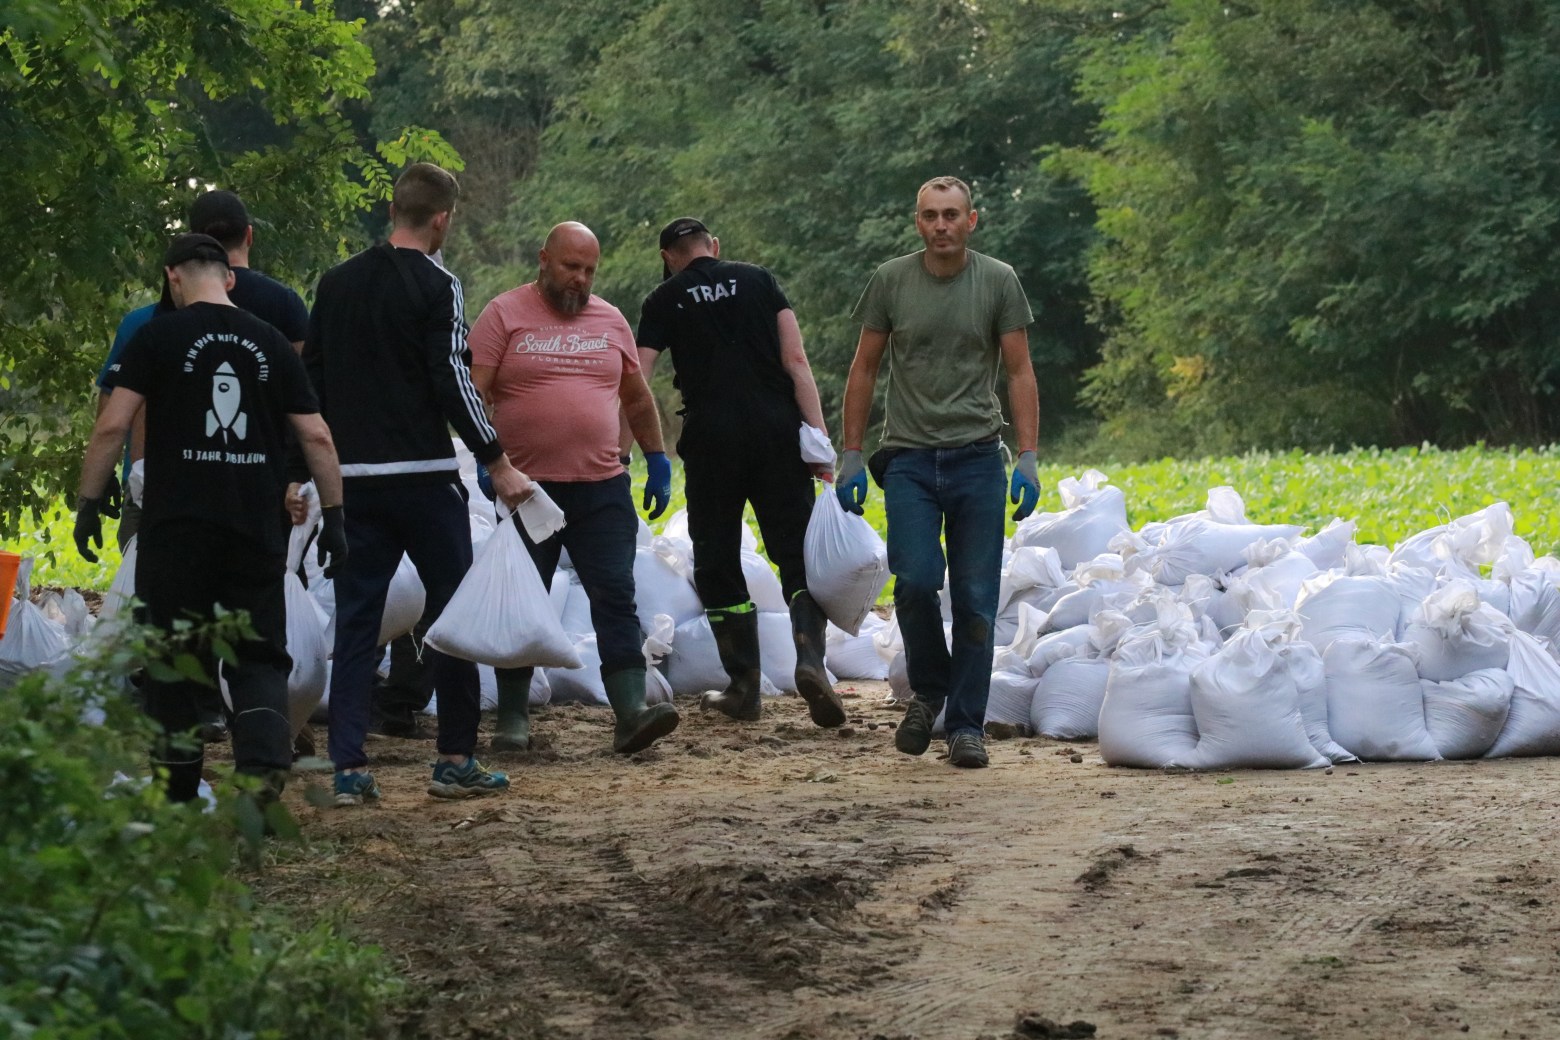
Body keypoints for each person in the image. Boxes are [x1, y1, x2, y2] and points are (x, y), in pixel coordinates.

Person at [73, 233, 348, 805]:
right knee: (258, 655)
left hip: (176, 531)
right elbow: (317, 435)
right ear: (228, 278)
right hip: (254, 527)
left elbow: (111, 426)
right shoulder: (271, 342)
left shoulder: (157, 335)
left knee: (173, 653)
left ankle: (177, 791)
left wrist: (90, 504)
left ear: (173, 277)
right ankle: (265, 768)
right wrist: (337, 517)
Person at [302, 162, 532, 805]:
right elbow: (451, 378)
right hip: (427, 481)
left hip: (353, 484)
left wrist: (303, 473)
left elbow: (310, 384)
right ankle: (454, 758)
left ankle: (348, 768)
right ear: (441, 219)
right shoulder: (440, 284)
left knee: (355, 625)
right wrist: (495, 459)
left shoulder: (337, 283)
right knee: (451, 617)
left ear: (392, 211)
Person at [837, 176, 1040, 769]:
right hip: (909, 461)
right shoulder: (892, 281)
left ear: (971, 221)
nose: (941, 226)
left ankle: (967, 727)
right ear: (917, 221)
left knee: (977, 601)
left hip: (979, 458)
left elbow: (1020, 370)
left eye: (952, 215)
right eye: (930, 216)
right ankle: (929, 692)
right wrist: (851, 451)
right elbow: (865, 366)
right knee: (918, 580)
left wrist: (1026, 455)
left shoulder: (998, 280)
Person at [468, 221, 680, 755]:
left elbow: (635, 397)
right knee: (523, 601)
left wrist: (656, 457)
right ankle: (512, 719)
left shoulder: (610, 319)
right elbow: (473, 392)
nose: (580, 280)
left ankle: (631, 712)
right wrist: (486, 456)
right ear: (544, 259)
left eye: (589, 270)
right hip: (527, 491)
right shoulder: (503, 314)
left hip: (601, 487)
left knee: (615, 595)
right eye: (570, 267)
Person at [635, 218, 845, 728]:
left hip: (712, 441)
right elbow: (796, 360)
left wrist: (649, 456)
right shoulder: (759, 279)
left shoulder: (664, 298)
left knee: (718, 560)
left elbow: (637, 380)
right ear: (715, 247)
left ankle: (744, 688)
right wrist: (819, 442)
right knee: (795, 555)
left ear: (669, 257)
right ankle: (811, 660)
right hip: (776, 432)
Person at [188, 190, 310, 353]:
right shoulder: (285, 302)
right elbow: (304, 371)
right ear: (249, 235)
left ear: (193, 240)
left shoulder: (181, 298)